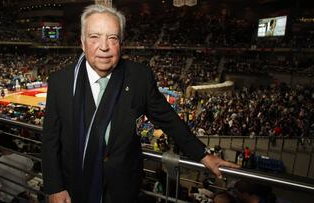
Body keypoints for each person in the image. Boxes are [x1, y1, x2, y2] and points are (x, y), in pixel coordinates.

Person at [41, 4, 239, 203]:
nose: (104, 46)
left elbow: (168, 119)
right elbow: (50, 140)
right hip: (74, 187)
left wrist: (203, 155)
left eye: (112, 37)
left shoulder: (139, 77)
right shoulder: (60, 82)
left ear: (121, 42)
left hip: (123, 189)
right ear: (82, 42)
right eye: (95, 37)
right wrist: (54, 187)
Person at [0, 130, 34, 203]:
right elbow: (32, 174)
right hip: (24, 195)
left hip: (7, 198)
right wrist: (21, 180)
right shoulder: (24, 158)